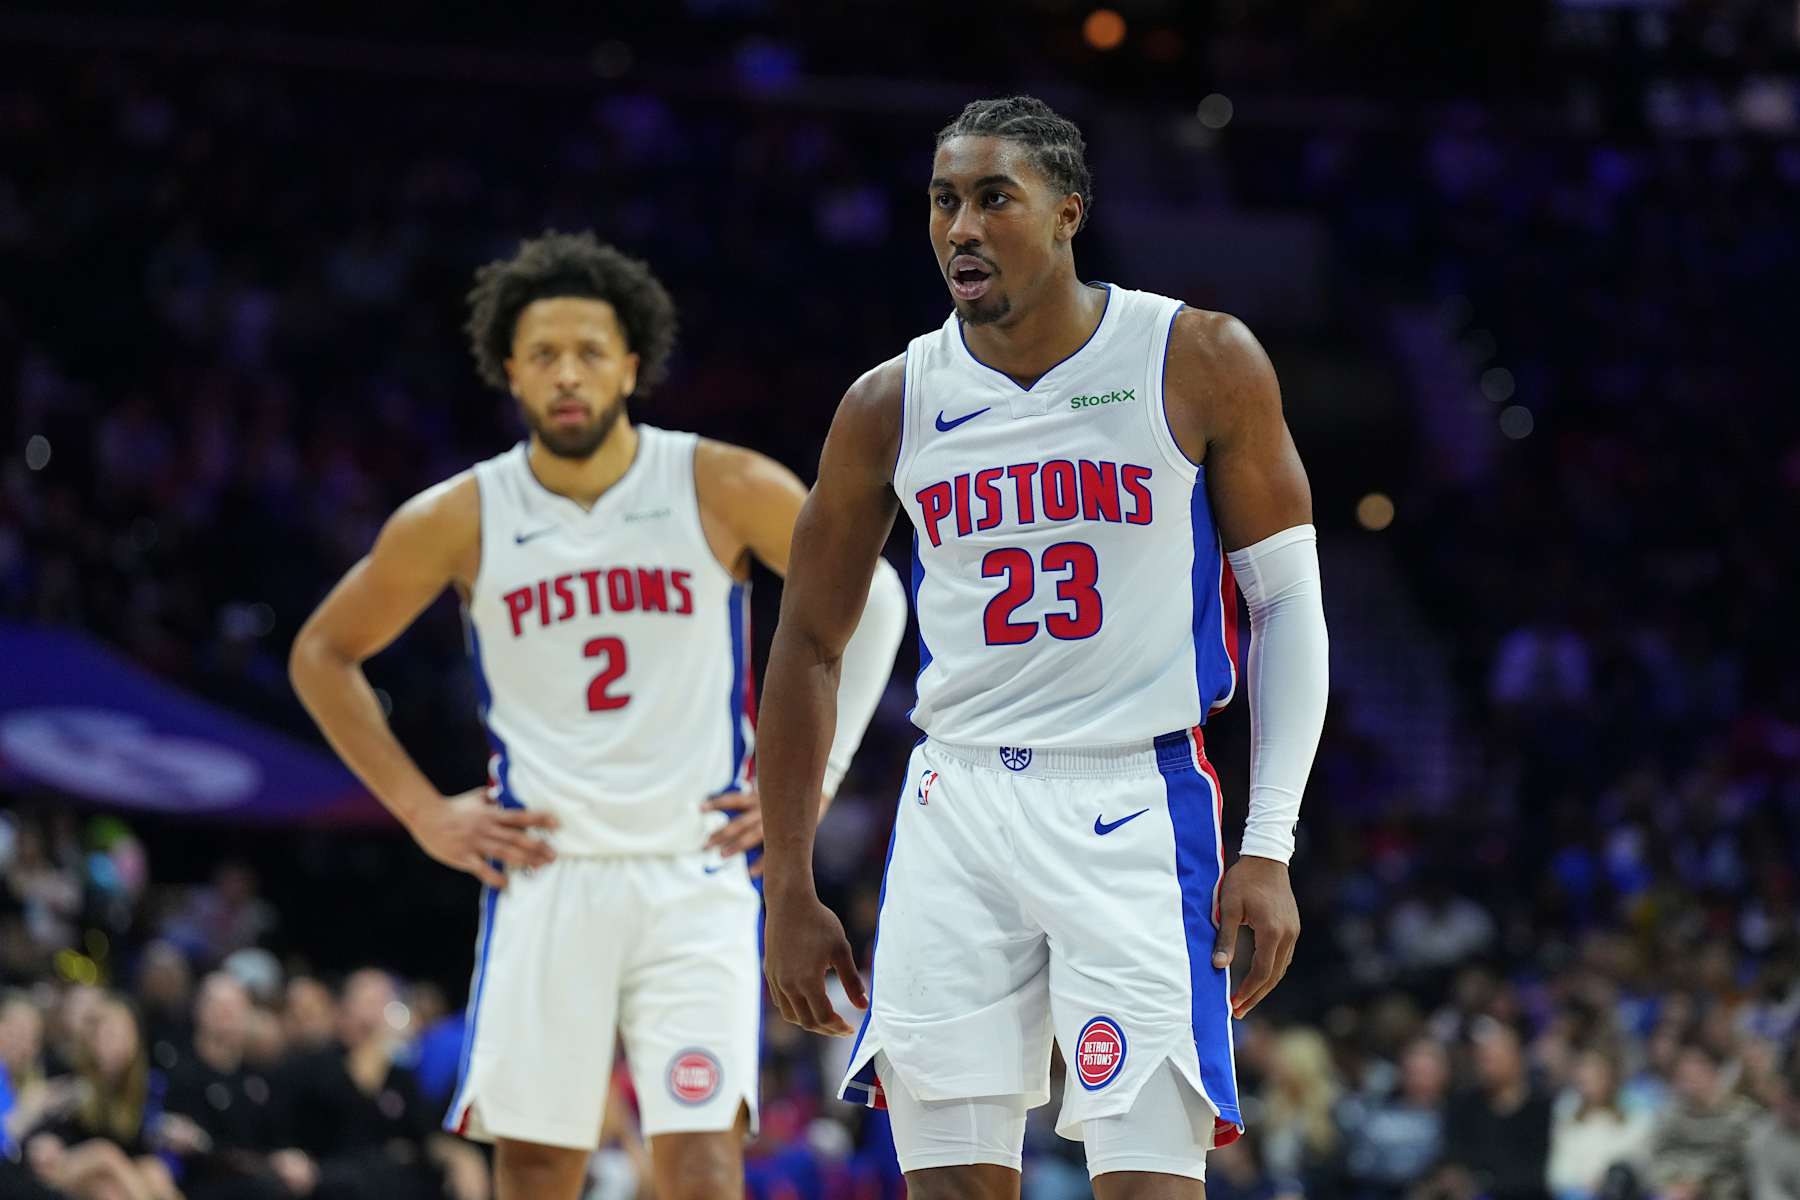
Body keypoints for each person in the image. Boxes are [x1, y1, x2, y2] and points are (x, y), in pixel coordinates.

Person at [759, 95, 1330, 1198]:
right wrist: (787, 879)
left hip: (1133, 799)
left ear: (1067, 213)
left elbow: (1287, 607)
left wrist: (1270, 844)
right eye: (942, 202)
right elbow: (808, 646)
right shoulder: (890, 401)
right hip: (955, 805)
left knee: (1149, 1183)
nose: (961, 227)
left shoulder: (1197, 356)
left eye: (991, 200)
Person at [289, 231, 907, 1200]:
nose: (567, 374)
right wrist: (421, 811)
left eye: (588, 351)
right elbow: (322, 654)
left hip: (694, 871)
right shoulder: (462, 514)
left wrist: (811, 787)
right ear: (509, 369)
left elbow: (873, 600)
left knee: (701, 1161)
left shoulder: (716, 483)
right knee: (536, 1170)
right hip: (549, 872)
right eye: (543, 354)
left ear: (632, 362)